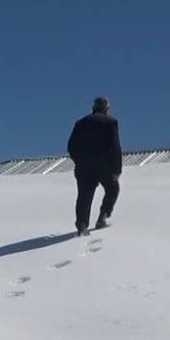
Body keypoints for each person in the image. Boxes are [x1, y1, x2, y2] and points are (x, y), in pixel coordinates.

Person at [66, 96, 122, 236]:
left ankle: (82, 226)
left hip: (83, 167)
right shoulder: (110, 122)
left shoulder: (80, 123)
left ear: (93, 107)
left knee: (84, 196)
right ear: (106, 109)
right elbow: (115, 147)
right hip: (104, 167)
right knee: (113, 188)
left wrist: (79, 160)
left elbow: (71, 146)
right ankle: (103, 216)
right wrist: (116, 169)